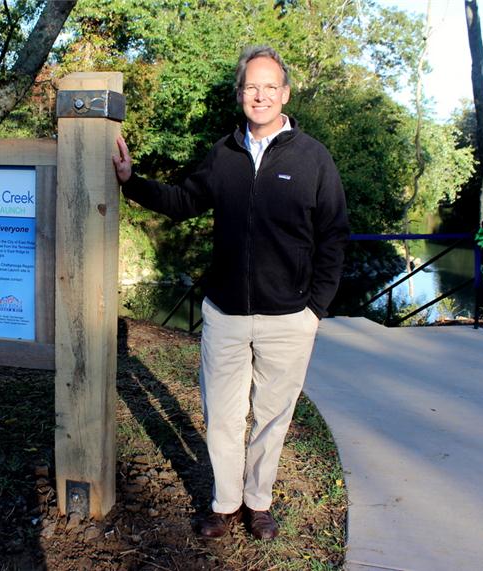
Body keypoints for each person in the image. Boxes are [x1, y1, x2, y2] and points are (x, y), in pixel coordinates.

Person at [112, 45, 349, 540]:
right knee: (222, 415)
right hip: (225, 313)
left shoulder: (314, 159)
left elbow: (333, 237)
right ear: (240, 93)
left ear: (284, 93)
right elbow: (182, 201)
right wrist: (131, 182)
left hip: (290, 318)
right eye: (250, 87)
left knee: (271, 418)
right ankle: (224, 504)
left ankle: (258, 504)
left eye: (270, 87)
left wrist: (315, 310)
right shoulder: (224, 154)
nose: (259, 95)